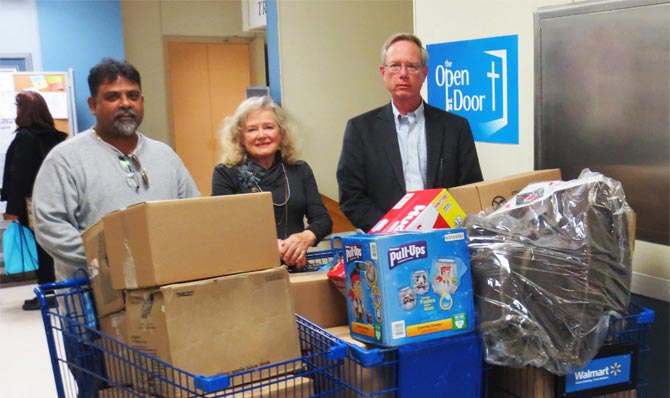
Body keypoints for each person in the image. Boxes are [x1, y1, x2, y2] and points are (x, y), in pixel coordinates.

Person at [32, 58, 200, 282]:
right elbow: (50, 226)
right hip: (94, 293)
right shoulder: (65, 159)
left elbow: (193, 211)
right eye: (112, 97)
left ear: (142, 101)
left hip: (164, 285)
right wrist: (110, 258)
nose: (125, 104)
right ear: (93, 105)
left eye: (132, 96)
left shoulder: (165, 155)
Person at [336, 33, 483, 231]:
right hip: (386, 242)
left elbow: (469, 191)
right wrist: (391, 230)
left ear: (424, 73)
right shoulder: (360, 130)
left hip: (443, 238)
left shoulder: (455, 128)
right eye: (395, 65)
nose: (403, 73)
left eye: (411, 66)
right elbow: (351, 197)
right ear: (383, 72)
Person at [212, 95, 332, 269]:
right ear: (240, 138)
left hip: (296, 267)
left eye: (268, 127)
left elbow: (322, 219)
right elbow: (221, 228)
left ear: (281, 133)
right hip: (247, 272)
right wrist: (265, 245)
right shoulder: (225, 173)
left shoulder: (300, 170)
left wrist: (305, 238)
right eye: (252, 130)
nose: (261, 135)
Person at [1, 91, 67, 310]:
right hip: (53, 199)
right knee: (49, 247)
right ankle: (51, 290)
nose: (16, 111)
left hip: (31, 203)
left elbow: (20, 174)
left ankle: (47, 293)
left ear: (26, 111)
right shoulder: (53, 137)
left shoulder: (26, 138)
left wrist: (12, 208)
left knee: (41, 249)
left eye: (18, 107)